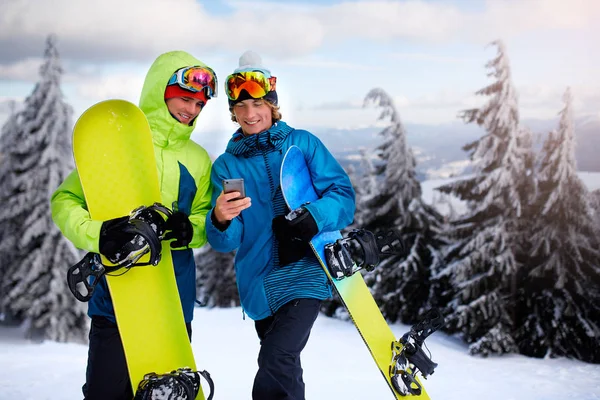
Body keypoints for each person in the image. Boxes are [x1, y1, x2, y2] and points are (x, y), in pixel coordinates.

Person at [50, 50, 216, 400]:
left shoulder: (198, 160)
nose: (191, 110)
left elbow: (204, 218)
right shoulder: (116, 146)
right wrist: (99, 234)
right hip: (117, 299)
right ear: (161, 92)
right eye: (185, 99)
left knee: (165, 395)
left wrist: (190, 230)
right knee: (105, 393)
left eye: (199, 105)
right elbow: (65, 202)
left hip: (172, 301)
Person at [206, 50, 355, 400]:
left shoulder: (301, 144)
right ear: (232, 113)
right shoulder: (227, 167)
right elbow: (227, 242)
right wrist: (221, 218)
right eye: (240, 108)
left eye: (257, 104)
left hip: (306, 271)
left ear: (272, 105)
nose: (249, 114)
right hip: (259, 283)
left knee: (277, 357)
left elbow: (343, 196)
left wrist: (314, 216)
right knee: (285, 367)